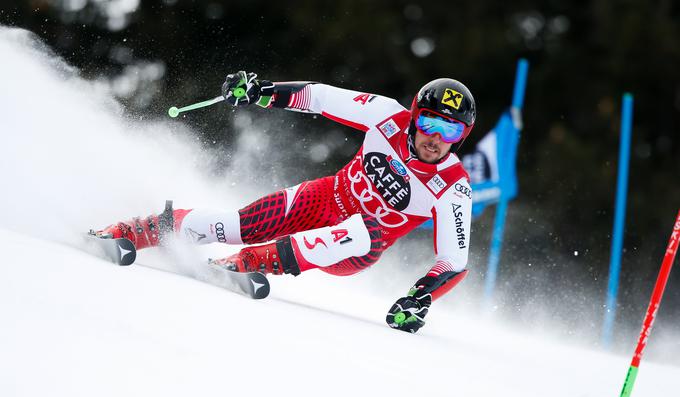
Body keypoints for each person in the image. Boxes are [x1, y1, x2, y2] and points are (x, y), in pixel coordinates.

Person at [94, 71, 476, 333]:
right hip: (324, 199)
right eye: (429, 123)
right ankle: (139, 230)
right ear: (413, 117)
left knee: (367, 230)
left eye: (450, 130)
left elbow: (454, 261)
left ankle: (249, 262)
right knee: (239, 225)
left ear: (461, 136)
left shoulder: (453, 186)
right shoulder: (386, 116)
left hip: (353, 250)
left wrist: (418, 299)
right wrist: (262, 92)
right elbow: (321, 97)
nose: (435, 138)